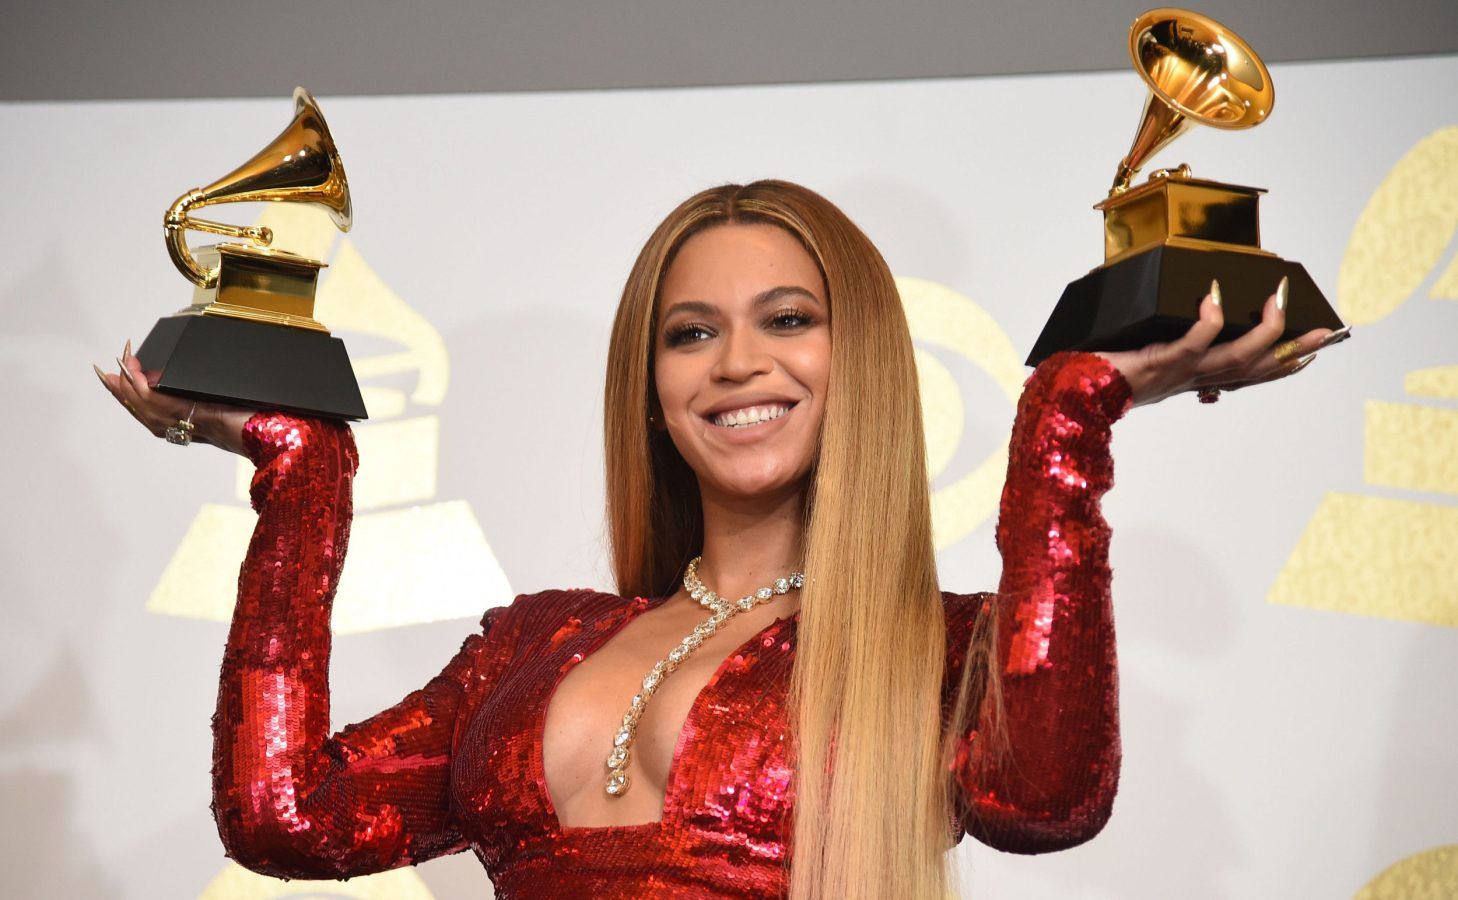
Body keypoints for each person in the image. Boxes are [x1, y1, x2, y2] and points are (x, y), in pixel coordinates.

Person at [96, 180, 1341, 899]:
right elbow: (284, 817)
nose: (737, 361)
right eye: (690, 332)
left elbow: (1046, 801)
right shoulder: (532, 642)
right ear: (649, 382)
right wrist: (303, 479)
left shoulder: (945, 649)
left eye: (787, 319)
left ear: (860, 361)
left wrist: (1068, 421)